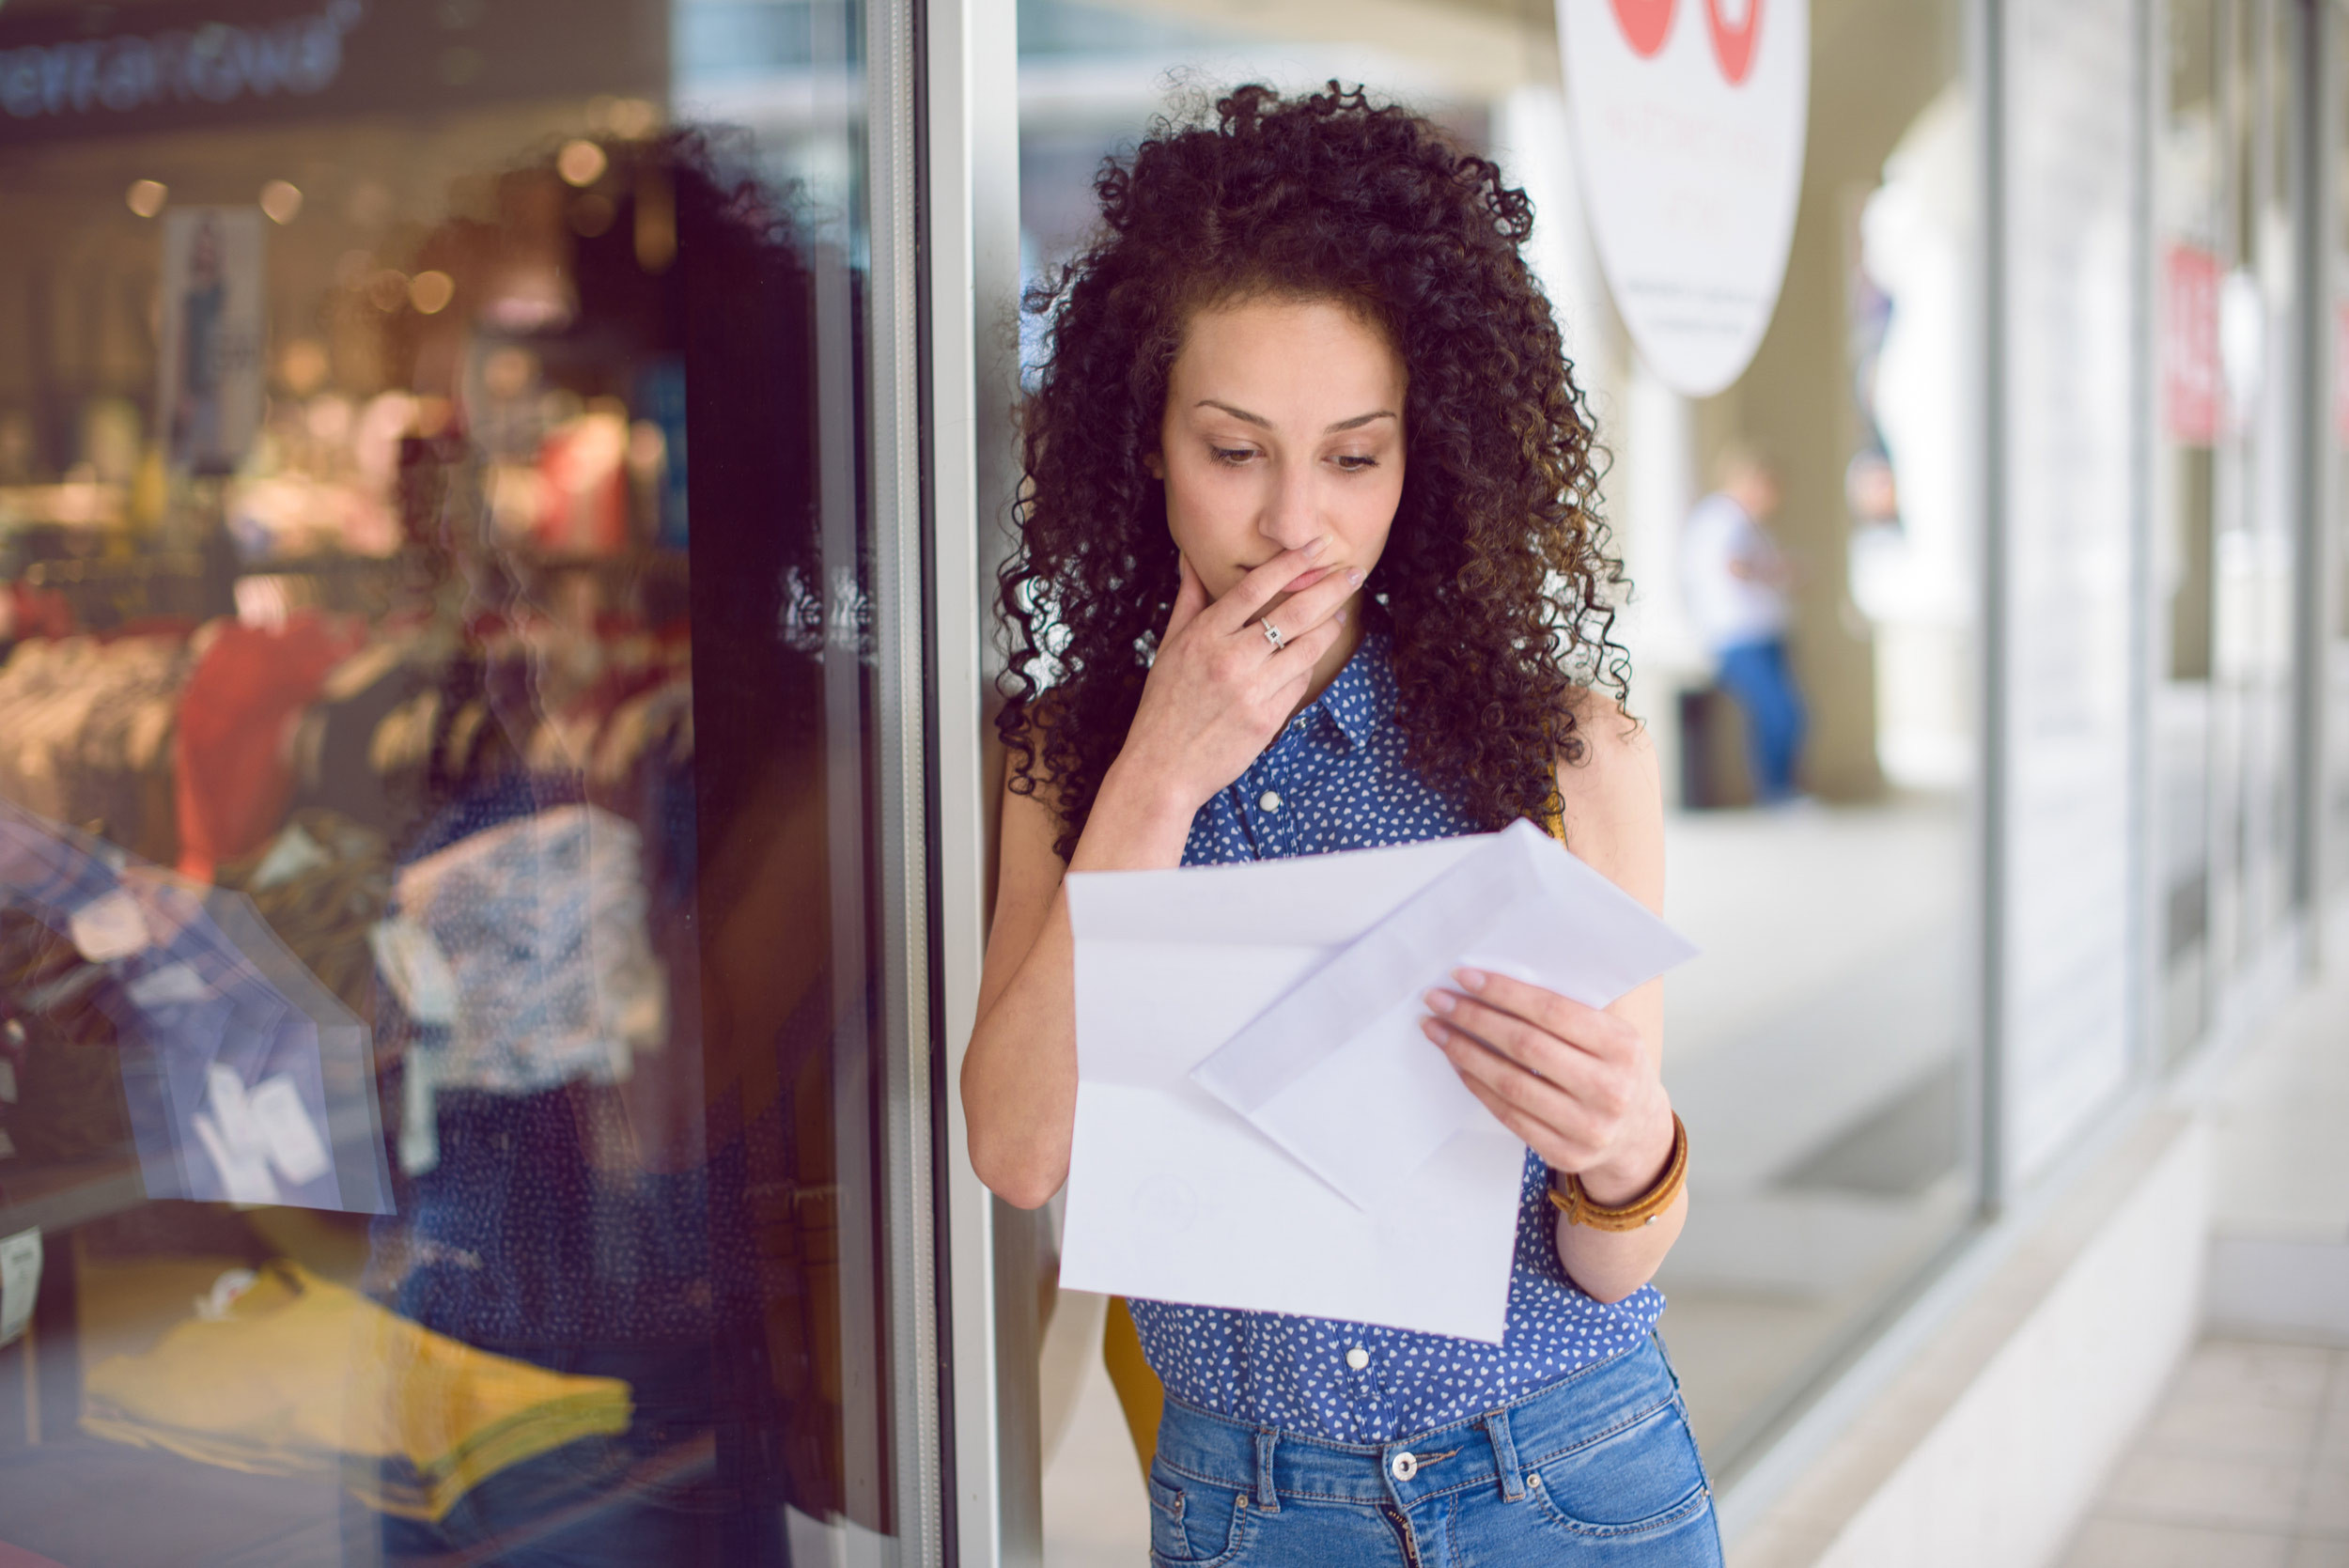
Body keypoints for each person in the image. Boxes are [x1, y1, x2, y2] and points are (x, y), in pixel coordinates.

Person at [963, 85, 1720, 1565]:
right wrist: (1157, 781)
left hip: (1570, 1472)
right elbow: (1018, 1150)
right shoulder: (1073, 763)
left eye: (1355, 456)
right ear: (1148, 446)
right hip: (1254, 1510)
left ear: (1422, 457)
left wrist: (1633, 1150)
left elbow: (1610, 1254)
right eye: (1235, 452)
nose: (1296, 521)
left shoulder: (1570, 753)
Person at [1680, 450, 1807, 805]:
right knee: (1781, 713)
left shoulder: (1747, 523)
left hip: (1764, 633)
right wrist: (1776, 572)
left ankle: (1783, 792)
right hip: (1738, 637)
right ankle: (1778, 795)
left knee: (1777, 715)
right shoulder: (1722, 519)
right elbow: (1734, 566)